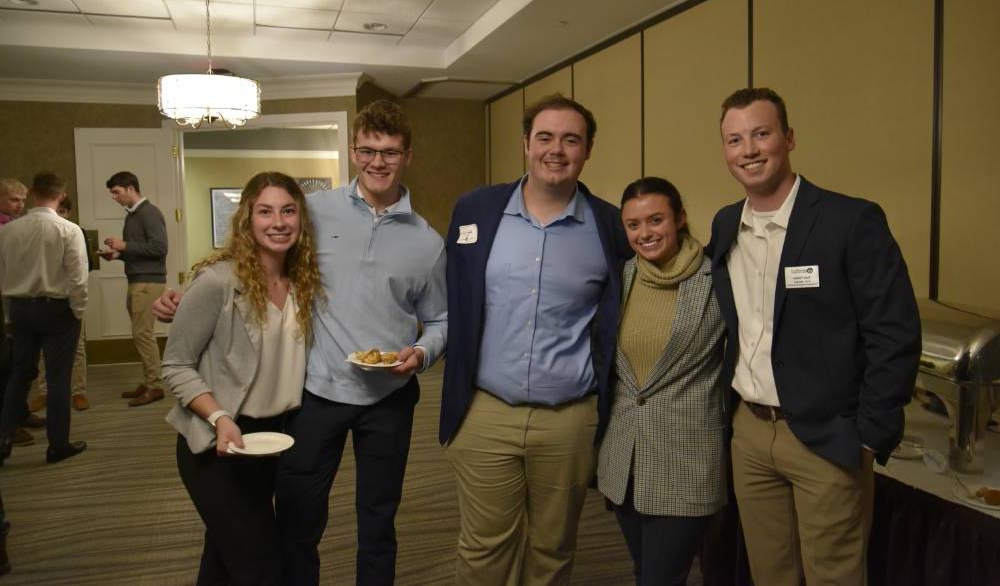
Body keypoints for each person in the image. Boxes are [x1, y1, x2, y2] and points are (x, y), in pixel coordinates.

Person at [154, 100, 447, 585]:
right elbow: (256, 254)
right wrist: (188, 297)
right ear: (354, 151)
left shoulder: (427, 241)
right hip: (315, 396)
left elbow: (440, 319)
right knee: (297, 520)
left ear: (407, 156)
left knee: (379, 520)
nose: (378, 162)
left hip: (389, 399)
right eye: (369, 150)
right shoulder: (314, 209)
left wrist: (423, 352)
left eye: (390, 152)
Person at [707, 87, 920, 585]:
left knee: (835, 576)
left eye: (762, 134)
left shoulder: (849, 221)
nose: (749, 150)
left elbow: (895, 332)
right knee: (770, 574)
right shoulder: (725, 225)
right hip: (751, 433)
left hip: (827, 436)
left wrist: (869, 434)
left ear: (789, 138)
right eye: (735, 140)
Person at [441, 94, 631, 585]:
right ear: (526, 144)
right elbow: (450, 298)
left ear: (588, 151)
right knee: (484, 549)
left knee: (552, 549)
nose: (557, 149)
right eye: (544, 137)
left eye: (572, 140)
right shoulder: (476, 210)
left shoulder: (610, 226)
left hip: (568, 422)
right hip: (485, 413)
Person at [162, 171, 322, 585]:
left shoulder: (303, 282)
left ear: (301, 219)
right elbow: (176, 364)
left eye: (288, 211)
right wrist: (219, 418)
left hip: (271, 443)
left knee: (224, 557)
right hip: (216, 443)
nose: (278, 222)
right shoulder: (217, 282)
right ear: (247, 220)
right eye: (265, 211)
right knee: (259, 564)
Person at [597, 177, 726, 586]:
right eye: (633, 225)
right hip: (626, 458)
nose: (645, 233)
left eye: (656, 220)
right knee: (644, 571)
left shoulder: (718, 280)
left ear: (681, 218)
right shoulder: (620, 278)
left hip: (687, 458)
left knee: (662, 577)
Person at [0, 171, 88, 465]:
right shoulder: (69, 230)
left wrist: (8, 315)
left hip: (21, 309)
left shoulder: (8, 231)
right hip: (58, 309)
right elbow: (78, 278)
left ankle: (3, 439)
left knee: (20, 374)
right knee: (58, 378)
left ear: (34, 193)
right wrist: (78, 311)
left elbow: (2, 276)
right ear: (61, 196)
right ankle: (57, 445)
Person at [101, 171, 168, 407]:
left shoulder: (149, 213)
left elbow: (160, 248)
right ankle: (149, 381)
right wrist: (118, 254)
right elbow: (142, 252)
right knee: (141, 335)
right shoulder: (133, 215)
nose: (114, 197)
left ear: (130, 188)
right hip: (139, 280)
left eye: (117, 192)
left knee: (143, 335)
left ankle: (155, 386)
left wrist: (125, 245)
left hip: (147, 283)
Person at [32, 196, 90, 412]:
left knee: (78, 347)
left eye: (64, 212)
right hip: (45, 298)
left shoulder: (76, 232)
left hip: (71, 297)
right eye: (58, 211)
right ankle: (44, 392)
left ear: (69, 213)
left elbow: (85, 269)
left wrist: (79, 303)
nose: (60, 216)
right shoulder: (38, 234)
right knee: (42, 349)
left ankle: (78, 391)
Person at [0, 178, 46, 447]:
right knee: (6, 367)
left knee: (21, 363)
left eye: (22, 200)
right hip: (8, 302)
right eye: (14, 200)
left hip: (19, 302)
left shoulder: (15, 227)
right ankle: (8, 424)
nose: (19, 205)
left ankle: (20, 413)